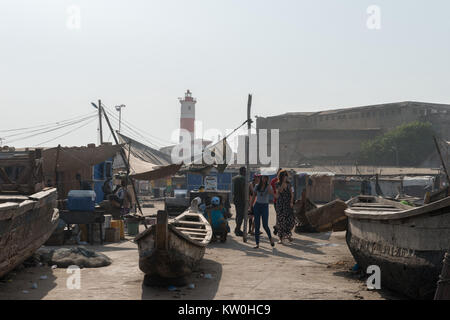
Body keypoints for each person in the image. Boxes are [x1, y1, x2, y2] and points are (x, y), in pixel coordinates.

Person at [250, 175, 276, 249]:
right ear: (261, 178)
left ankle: (270, 238)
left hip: (265, 206)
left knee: (265, 225)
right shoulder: (257, 186)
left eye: (266, 177)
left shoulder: (268, 187)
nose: (264, 179)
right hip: (257, 206)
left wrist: (271, 188)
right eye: (263, 177)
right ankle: (257, 243)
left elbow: (273, 194)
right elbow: (254, 196)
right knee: (257, 225)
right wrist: (250, 206)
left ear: (267, 179)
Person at [275, 170, 295, 244]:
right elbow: (277, 194)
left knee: (290, 220)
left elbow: (292, 194)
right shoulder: (277, 184)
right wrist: (280, 188)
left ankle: (288, 235)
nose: (285, 177)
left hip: (288, 204)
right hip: (280, 204)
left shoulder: (289, 184)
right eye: (284, 176)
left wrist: (291, 202)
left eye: (286, 176)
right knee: (280, 221)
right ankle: (281, 238)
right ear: (281, 177)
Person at [232, 167, 246, 236]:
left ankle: (237, 229)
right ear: (243, 171)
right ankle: (237, 229)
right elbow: (243, 190)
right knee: (241, 215)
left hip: (235, 199)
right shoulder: (242, 179)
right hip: (241, 199)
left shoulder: (234, 178)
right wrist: (245, 200)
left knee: (238, 214)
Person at [270, 168, 283, 235]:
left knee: (280, 215)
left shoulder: (283, 181)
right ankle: (278, 227)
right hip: (277, 200)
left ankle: (277, 226)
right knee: (279, 214)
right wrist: (275, 195)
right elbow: (271, 189)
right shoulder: (274, 181)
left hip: (282, 200)